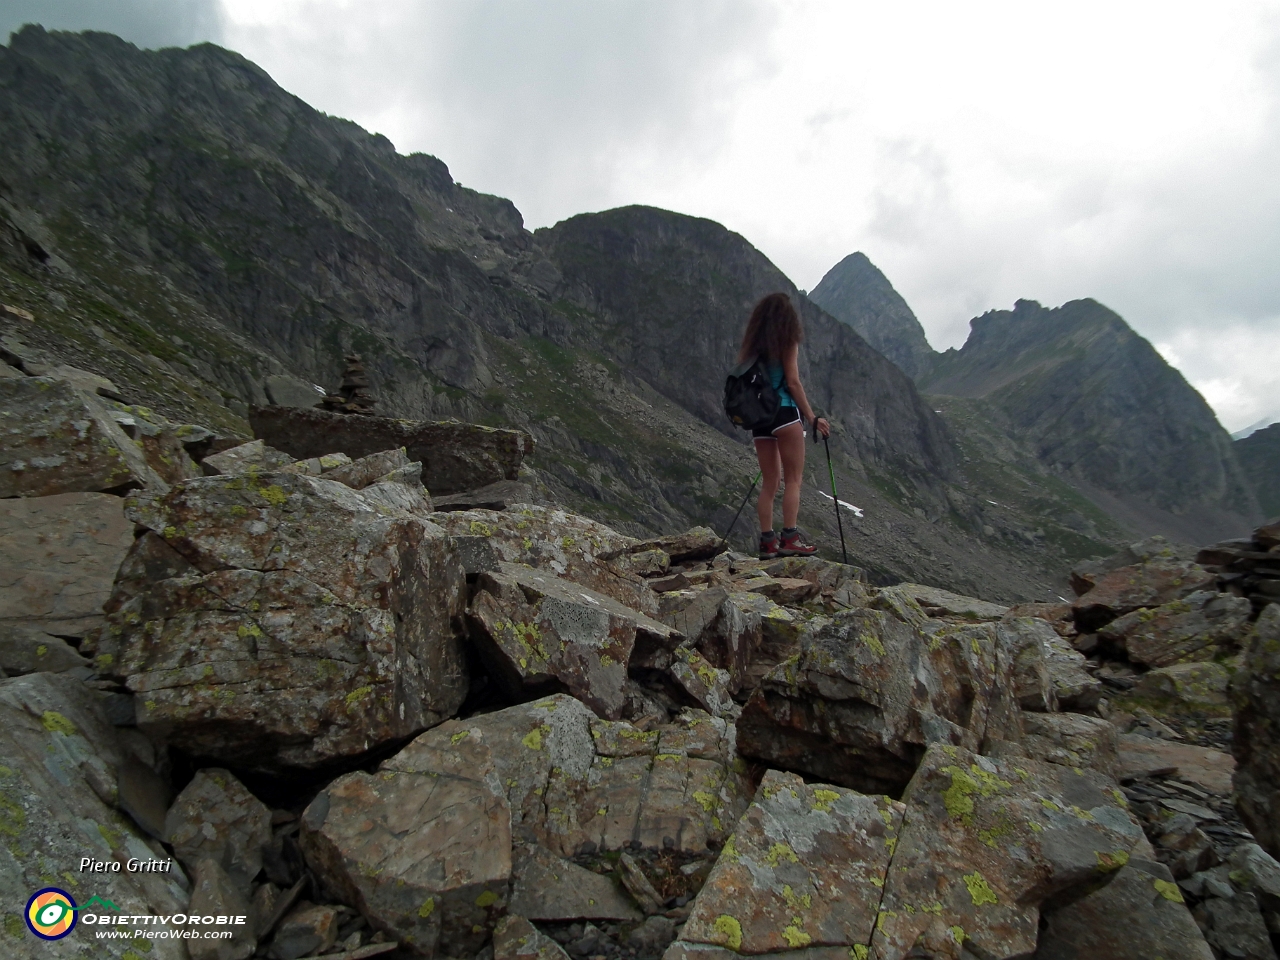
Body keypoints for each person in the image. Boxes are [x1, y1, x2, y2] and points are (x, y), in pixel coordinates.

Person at [737, 292, 830, 559]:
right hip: (785, 413)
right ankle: (790, 537)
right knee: (793, 479)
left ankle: (767, 542)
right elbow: (793, 382)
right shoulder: (787, 343)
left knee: (769, 482)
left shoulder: (753, 348)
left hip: (760, 418)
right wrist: (812, 417)